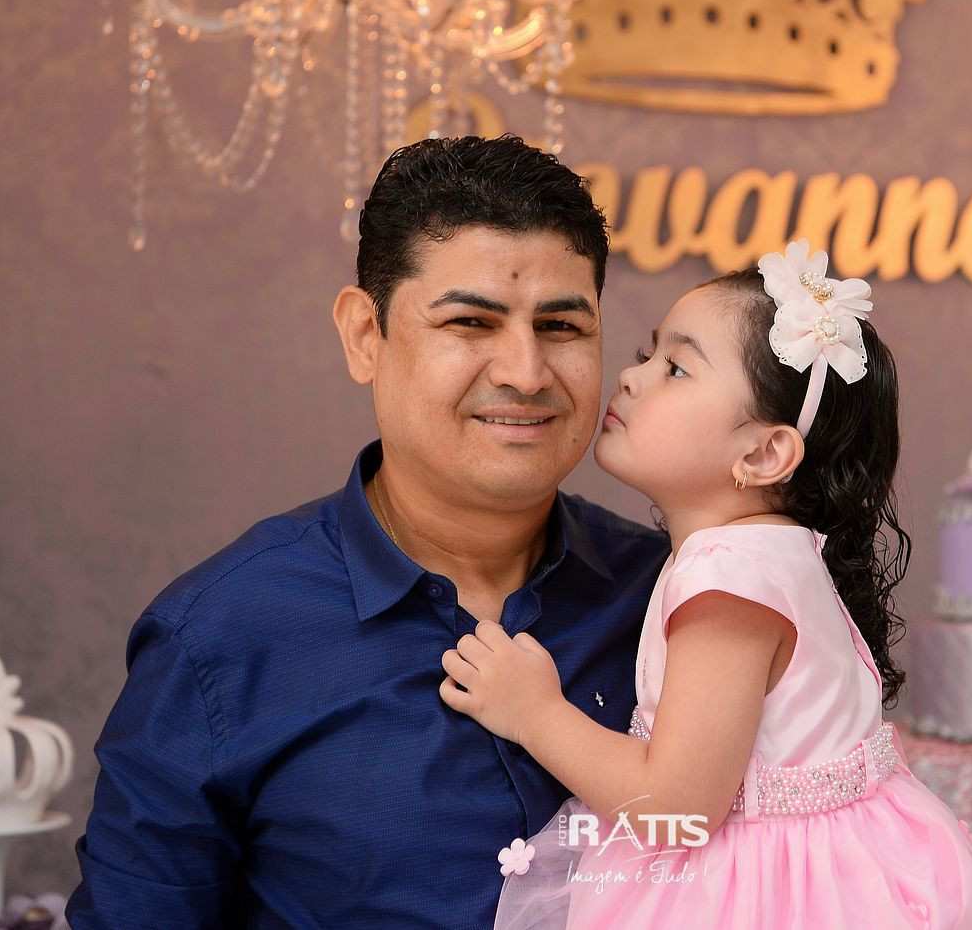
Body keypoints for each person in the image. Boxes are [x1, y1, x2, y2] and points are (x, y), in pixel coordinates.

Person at [66, 136, 669, 929]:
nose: (526, 372)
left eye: (560, 326)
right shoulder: (220, 638)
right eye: (470, 322)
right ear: (363, 335)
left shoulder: (675, 598)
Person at [440, 240, 972, 928]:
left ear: (764, 453)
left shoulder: (728, 583)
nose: (631, 376)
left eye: (676, 367)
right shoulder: (776, 556)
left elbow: (678, 805)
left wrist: (534, 713)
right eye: (648, 352)